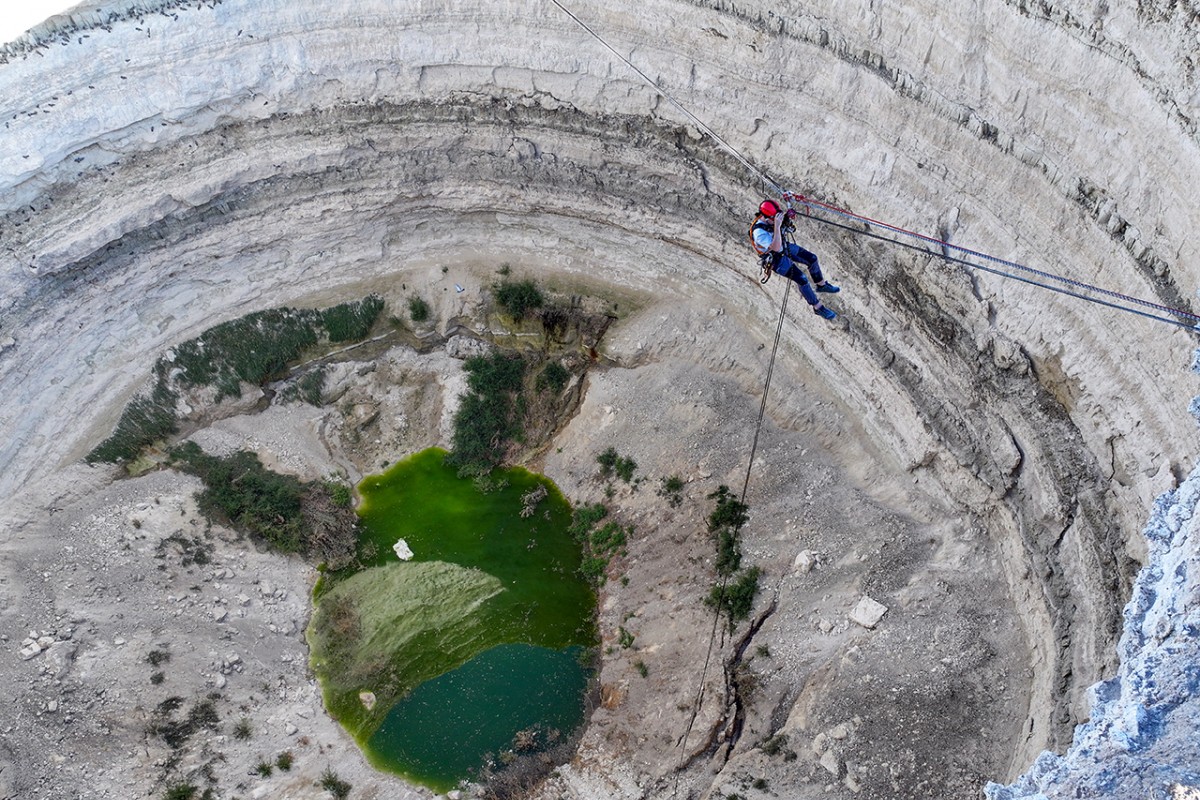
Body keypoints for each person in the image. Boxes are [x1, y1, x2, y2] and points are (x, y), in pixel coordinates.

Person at [750, 199, 839, 320]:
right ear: (766, 218)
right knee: (802, 279)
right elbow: (775, 247)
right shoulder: (759, 233)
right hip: (776, 259)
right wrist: (777, 226)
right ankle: (817, 307)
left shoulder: (771, 219)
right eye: (775, 218)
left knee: (812, 258)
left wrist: (787, 216)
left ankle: (821, 285)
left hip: (783, 247)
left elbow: (783, 226)